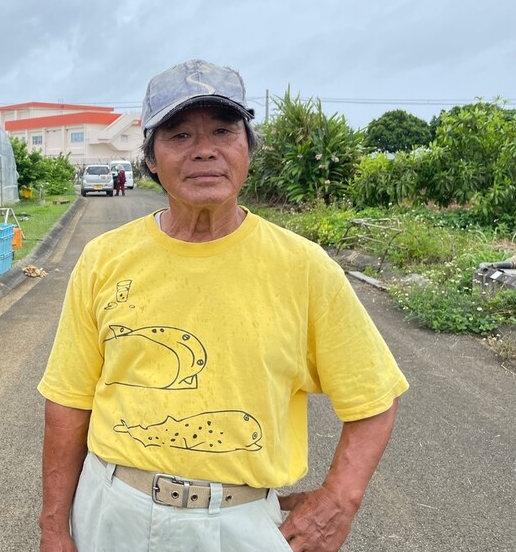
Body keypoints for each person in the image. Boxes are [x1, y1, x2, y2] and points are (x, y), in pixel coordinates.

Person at [37, 59, 409, 551]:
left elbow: (373, 398)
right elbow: (67, 402)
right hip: (112, 513)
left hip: (241, 526)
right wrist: (54, 527)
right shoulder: (104, 259)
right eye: (180, 136)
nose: (205, 151)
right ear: (150, 158)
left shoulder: (304, 267)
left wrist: (340, 500)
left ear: (248, 149)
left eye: (222, 131)